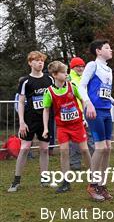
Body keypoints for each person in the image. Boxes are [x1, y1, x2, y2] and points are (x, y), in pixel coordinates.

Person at [79, 40, 114, 201]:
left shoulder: (108, 69)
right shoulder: (92, 65)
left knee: (107, 148)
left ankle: (102, 185)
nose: (111, 49)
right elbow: (81, 86)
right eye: (107, 47)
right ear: (98, 51)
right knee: (100, 148)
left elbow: (105, 93)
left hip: (106, 111)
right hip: (94, 111)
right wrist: (88, 104)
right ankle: (92, 185)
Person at [42, 61, 92, 193]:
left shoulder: (72, 86)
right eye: (64, 72)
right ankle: (66, 181)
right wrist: (46, 128)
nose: (66, 74)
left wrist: (84, 117)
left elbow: (82, 99)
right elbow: (46, 110)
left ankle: (94, 177)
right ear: (54, 75)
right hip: (62, 127)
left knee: (85, 150)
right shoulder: (49, 92)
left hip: (77, 124)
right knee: (64, 152)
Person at [8, 51, 54, 192]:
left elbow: (54, 98)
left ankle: (44, 179)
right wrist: (22, 122)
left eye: (42, 61)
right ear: (30, 63)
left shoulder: (49, 79)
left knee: (45, 149)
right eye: (36, 60)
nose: (40, 63)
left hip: (45, 120)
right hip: (29, 120)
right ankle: (16, 181)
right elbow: (21, 102)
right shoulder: (25, 81)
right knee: (25, 148)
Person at [67, 56, 95, 170]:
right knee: (74, 140)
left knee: (91, 137)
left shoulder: (86, 78)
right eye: (77, 66)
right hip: (74, 113)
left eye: (82, 66)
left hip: (87, 111)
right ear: (72, 68)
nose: (80, 68)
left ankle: (95, 161)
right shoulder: (68, 79)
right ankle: (75, 163)